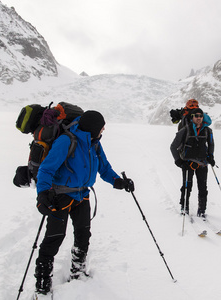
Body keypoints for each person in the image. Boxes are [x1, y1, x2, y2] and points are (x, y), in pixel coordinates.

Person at [33, 110, 134, 296]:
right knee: (53, 239)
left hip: (82, 196)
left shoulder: (94, 143)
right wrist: (42, 194)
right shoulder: (66, 141)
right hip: (60, 197)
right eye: (102, 126)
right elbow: (46, 169)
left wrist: (118, 181)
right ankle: (42, 285)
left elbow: (104, 168)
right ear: (94, 127)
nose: (104, 129)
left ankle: (77, 270)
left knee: (83, 235)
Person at [170, 108, 215, 217]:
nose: (198, 118)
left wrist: (211, 156)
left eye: (200, 116)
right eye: (196, 116)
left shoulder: (207, 131)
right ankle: (184, 208)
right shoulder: (185, 130)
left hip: (202, 163)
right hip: (187, 163)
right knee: (187, 187)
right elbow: (173, 146)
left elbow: (211, 144)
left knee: (203, 187)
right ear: (192, 117)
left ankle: (202, 210)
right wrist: (178, 161)